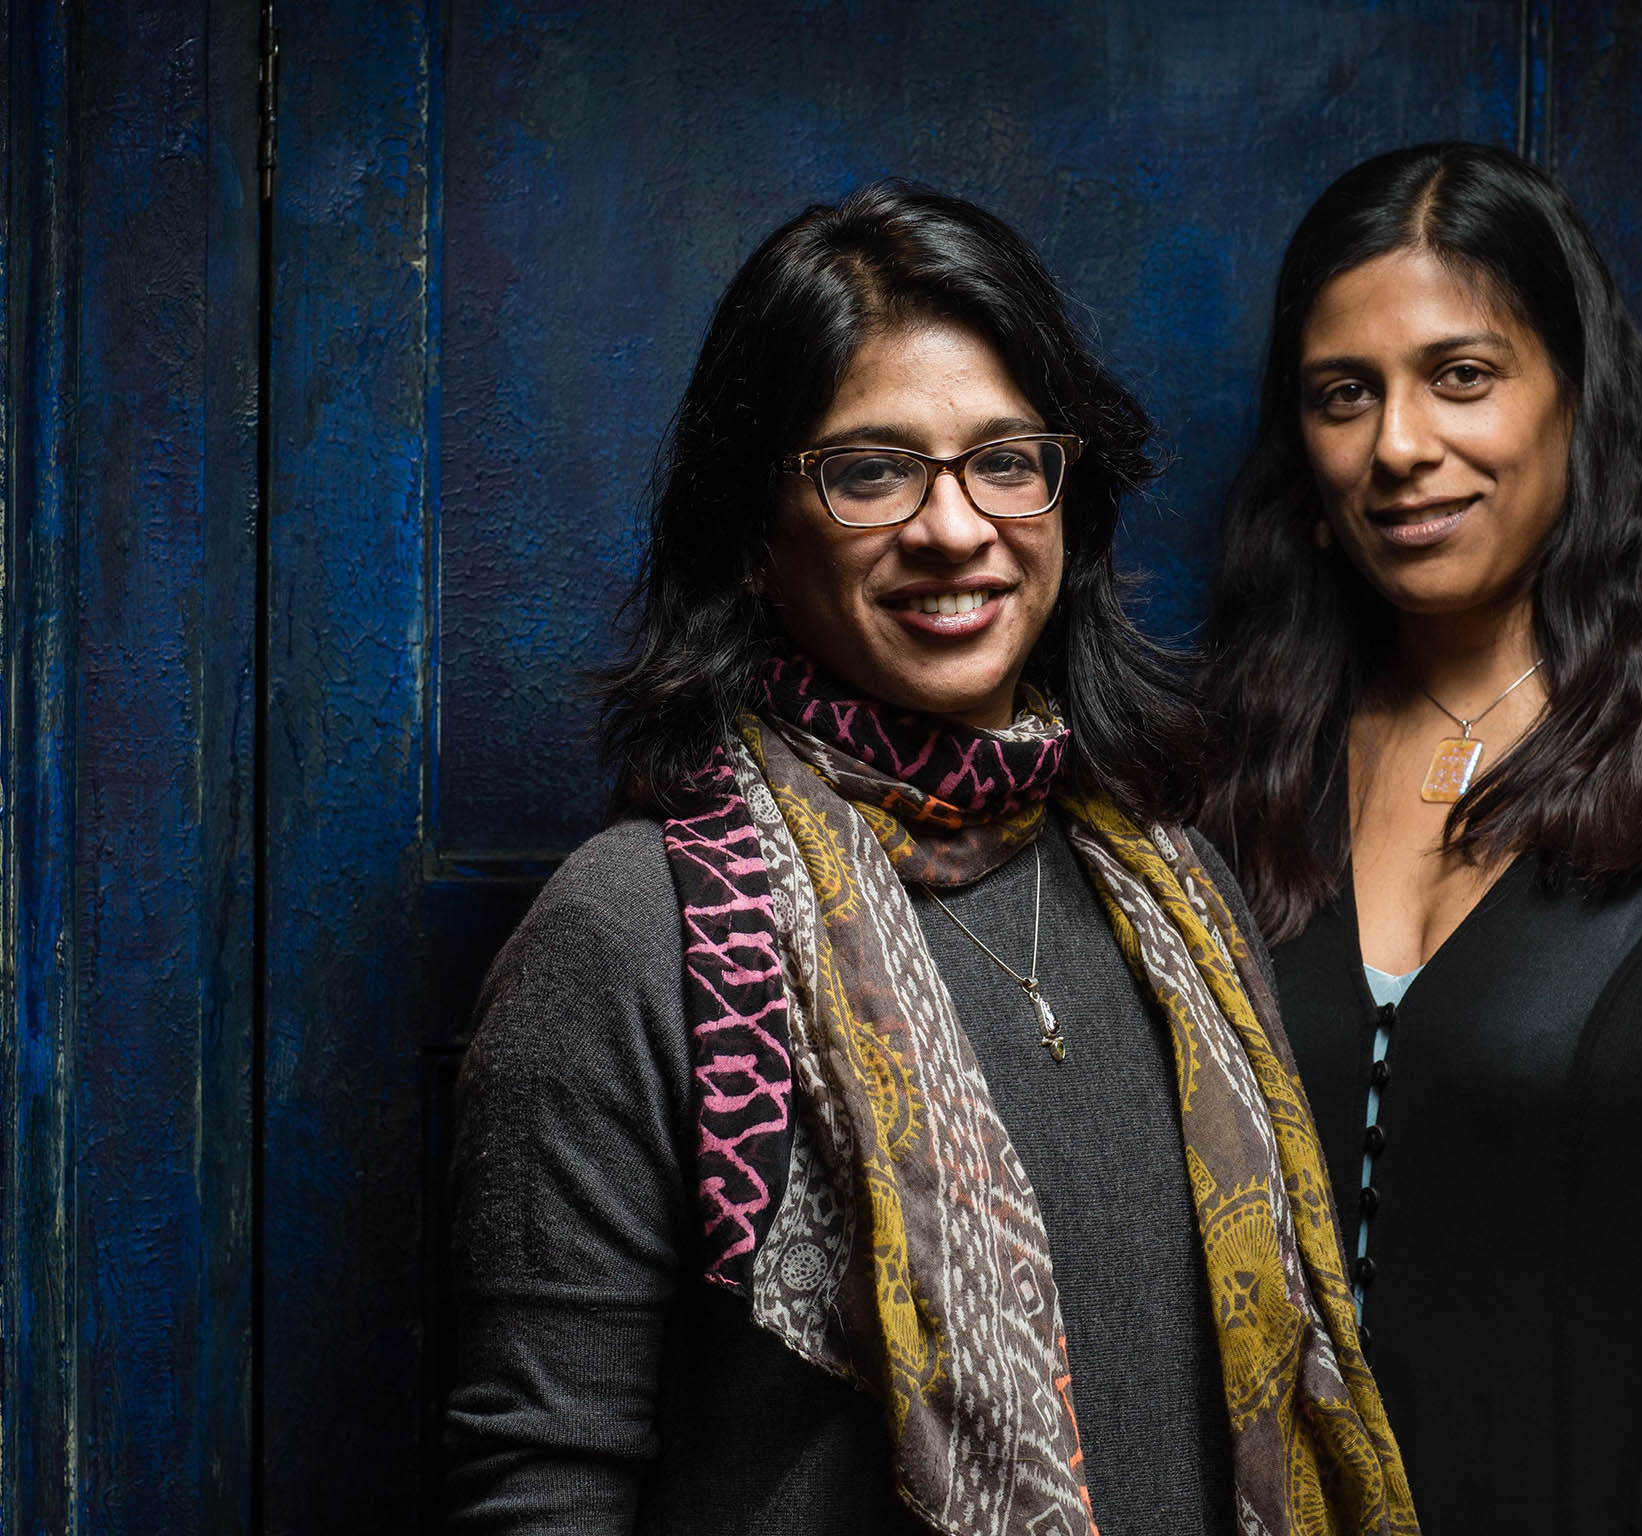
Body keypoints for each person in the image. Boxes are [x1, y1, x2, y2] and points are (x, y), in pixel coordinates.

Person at [444, 180, 1414, 1535]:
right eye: (869, 470)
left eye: (1004, 460)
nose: (954, 528)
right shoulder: (634, 935)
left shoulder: (1177, 891)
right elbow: (542, 1487)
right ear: (753, 537)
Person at [1200, 142, 1642, 1535]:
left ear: (1574, 397)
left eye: (1460, 375)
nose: (1398, 445)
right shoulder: (1231, 776)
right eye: (1342, 395)